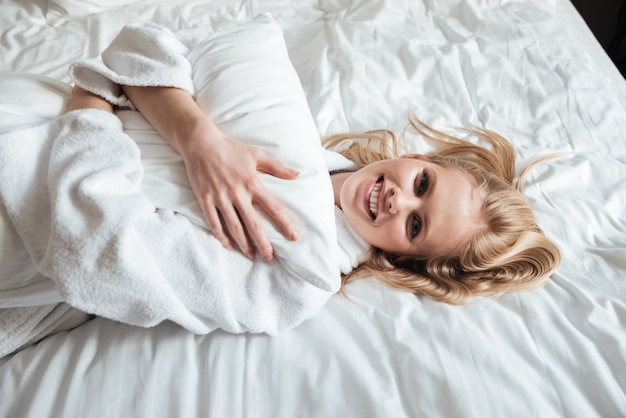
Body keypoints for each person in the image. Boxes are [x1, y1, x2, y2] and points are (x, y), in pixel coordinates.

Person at [68, 79, 560, 306]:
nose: (399, 200)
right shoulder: (296, 135)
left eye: (415, 224)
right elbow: (142, 54)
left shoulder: (301, 273)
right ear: (424, 160)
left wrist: (89, 114)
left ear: (407, 259)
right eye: (423, 184)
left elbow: (104, 255)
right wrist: (200, 139)